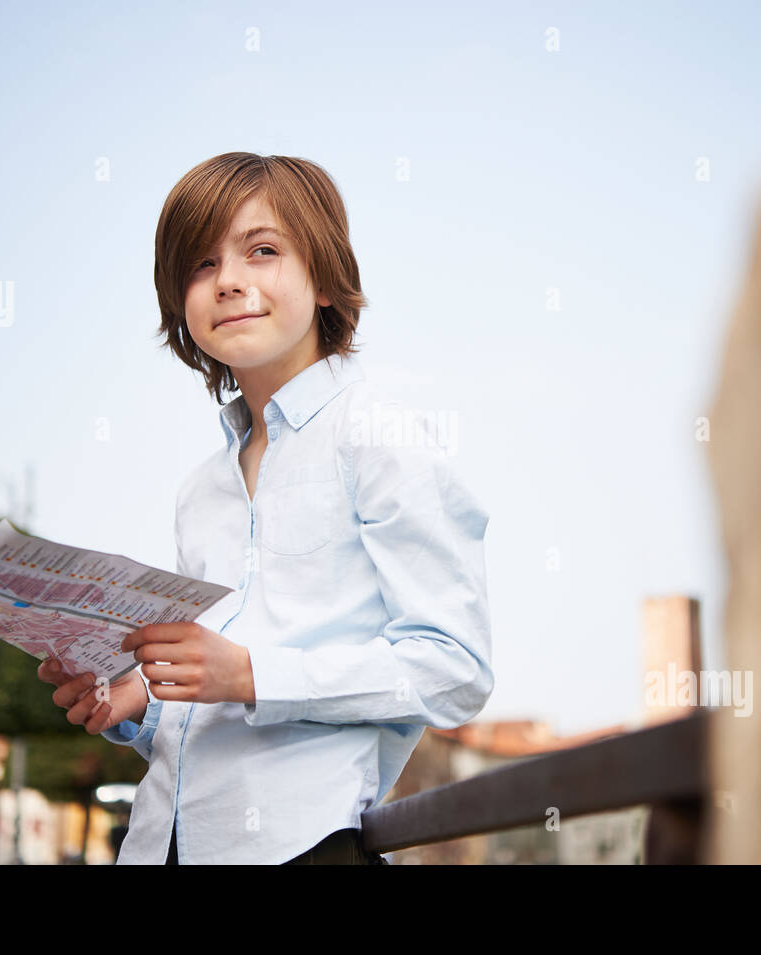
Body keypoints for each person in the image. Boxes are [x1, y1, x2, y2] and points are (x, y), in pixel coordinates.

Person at [37, 153, 494, 864]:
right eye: (200, 264)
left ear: (324, 279)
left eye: (263, 250)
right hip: (162, 844)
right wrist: (138, 703)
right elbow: (215, 702)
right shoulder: (199, 491)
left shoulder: (379, 435)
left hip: (304, 846)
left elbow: (454, 667)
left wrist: (251, 673)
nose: (229, 281)